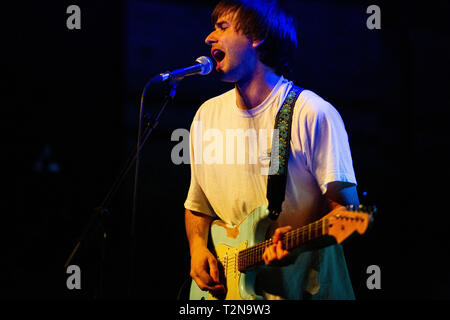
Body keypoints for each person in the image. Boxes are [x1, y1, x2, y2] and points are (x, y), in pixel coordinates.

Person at [184, 0, 359, 300]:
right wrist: (198, 248)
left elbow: (348, 216)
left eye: (222, 27)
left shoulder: (311, 113)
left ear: (256, 36)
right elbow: (197, 207)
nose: (209, 38)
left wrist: (299, 245)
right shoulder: (205, 116)